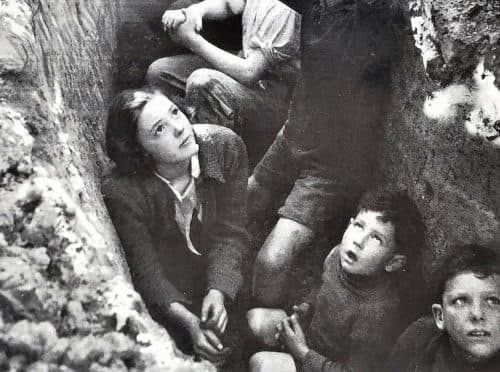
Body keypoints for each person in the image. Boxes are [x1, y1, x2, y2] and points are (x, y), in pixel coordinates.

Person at [245, 0, 400, 306]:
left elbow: (386, 2)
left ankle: (261, 326)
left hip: (332, 167)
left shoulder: (367, 18)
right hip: (292, 137)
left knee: (272, 260)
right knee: (241, 204)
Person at [146, 0, 331, 165]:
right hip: (244, 72)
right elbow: (230, 2)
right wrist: (195, 11)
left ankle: (214, 164)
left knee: (203, 82)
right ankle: (181, 141)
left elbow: (251, 71)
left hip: (272, 99)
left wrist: (191, 40)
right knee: (160, 73)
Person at [101, 87, 250, 367]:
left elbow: (232, 233)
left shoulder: (225, 147)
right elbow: (146, 271)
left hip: (218, 271)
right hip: (171, 293)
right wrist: (189, 323)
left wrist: (218, 290)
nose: (180, 127)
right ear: (140, 151)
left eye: (174, 112)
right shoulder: (123, 192)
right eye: (159, 129)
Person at [247, 189, 425, 371]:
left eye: (376, 238)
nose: (359, 241)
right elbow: (321, 286)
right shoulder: (336, 256)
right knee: (255, 319)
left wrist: (302, 353)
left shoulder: (379, 314)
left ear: (393, 262)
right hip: (310, 342)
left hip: (324, 364)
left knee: (261, 364)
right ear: (350, 224)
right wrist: (306, 308)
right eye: (359, 226)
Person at [388, 244, 500, 372]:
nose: (477, 313)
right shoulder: (418, 341)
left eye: (493, 301)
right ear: (440, 316)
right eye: (460, 301)